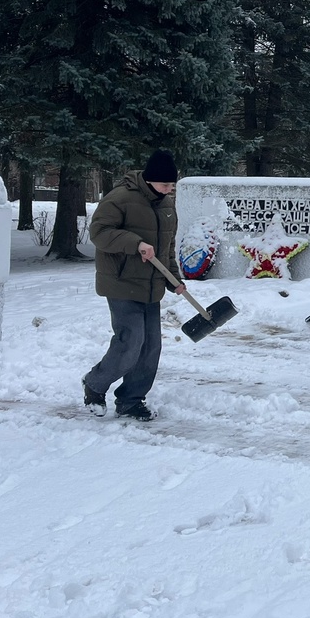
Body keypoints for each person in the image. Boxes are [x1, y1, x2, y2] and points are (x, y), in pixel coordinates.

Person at [82, 149, 185, 421]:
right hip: (121, 281)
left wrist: (174, 278)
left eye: (172, 185)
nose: (169, 189)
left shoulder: (166, 204)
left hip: (151, 285)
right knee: (131, 341)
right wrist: (135, 244)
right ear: (150, 180)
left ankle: (130, 400)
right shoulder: (120, 198)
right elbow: (99, 234)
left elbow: (167, 247)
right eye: (165, 184)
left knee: (151, 347)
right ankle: (95, 384)